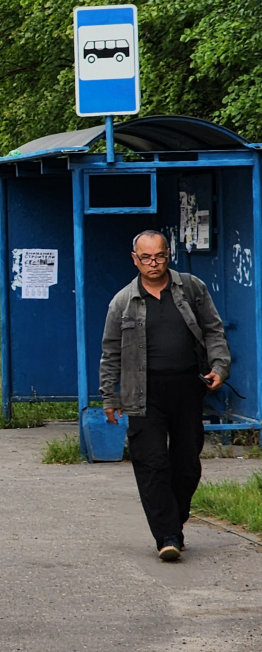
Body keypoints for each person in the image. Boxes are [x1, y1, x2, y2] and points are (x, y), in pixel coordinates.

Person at [100, 230, 230, 562]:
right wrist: (109, 396)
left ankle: (174, 517)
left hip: (187, 388)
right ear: (135, 260)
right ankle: (168, 535)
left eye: (159, 256)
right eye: (146, 257)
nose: (153, 263)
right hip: (143, 393)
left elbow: (213, 329)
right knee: (152, 463)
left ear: (168, 254)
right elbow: (111, 352)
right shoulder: (123, 302)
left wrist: (219, 365)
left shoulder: (192, 289)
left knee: (186, 464)